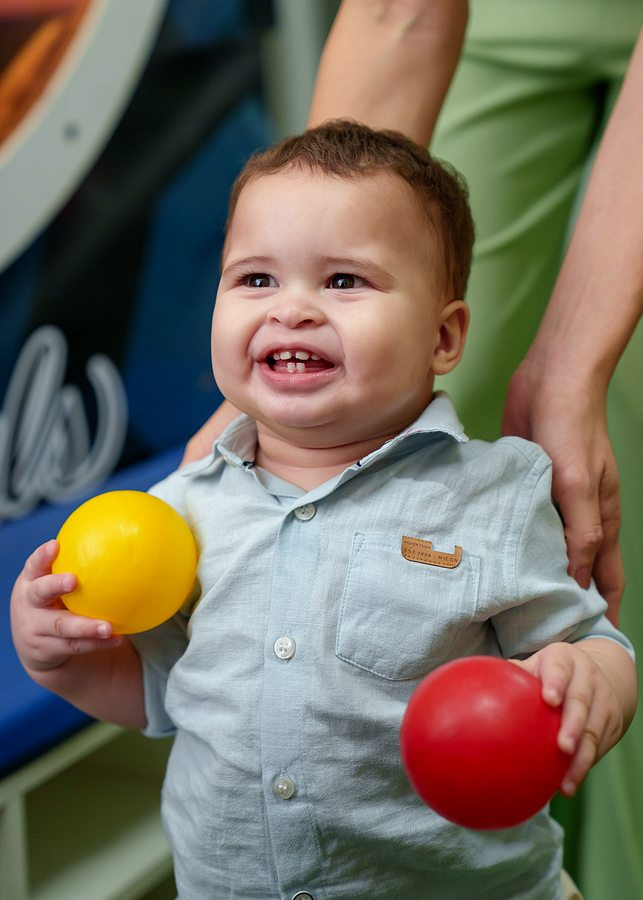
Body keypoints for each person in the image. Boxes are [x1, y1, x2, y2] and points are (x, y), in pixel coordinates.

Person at [11, 122, 637, 899]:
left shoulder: (493, 497)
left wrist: (588, 678)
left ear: (443, 336)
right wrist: (59, 659)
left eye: (343, 281)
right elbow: (155, 695)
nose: (292, 309)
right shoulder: (179, 511)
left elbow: (591, 640)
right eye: (255, 279)